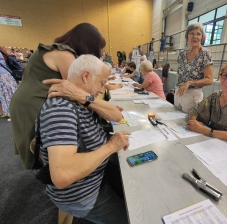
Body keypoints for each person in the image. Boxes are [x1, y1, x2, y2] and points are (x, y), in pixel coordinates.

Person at [38, 55, 130, 223]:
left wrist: (84, 97)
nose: (103, 90)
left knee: (135, 187)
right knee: (136, 217)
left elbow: (116, 116)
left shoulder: (83, 100)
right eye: (101, 83)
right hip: (83, 195)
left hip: (98, 176)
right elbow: (62, 175)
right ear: (86, 76)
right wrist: (111, 146)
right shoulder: (61, 109)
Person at [10, 23, 107, 169]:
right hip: (33, 102)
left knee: (44, 144)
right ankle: (53, 173)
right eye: (97, 48)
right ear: (88, 44)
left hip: (29, 99)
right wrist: (97, 101)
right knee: (41, 145)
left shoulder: (56, 49)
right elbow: (77, 88)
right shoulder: (64, 53)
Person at [187, 61, 227, 148]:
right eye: (224, 75)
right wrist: (193, 123)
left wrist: (202, 129)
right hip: (212, 143)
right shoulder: (215, 96)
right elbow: (195, 110)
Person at [175, 22, 213, 113]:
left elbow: (209, 79)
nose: (195, 37)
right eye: (192, 33)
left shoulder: (205, 53)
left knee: (188, 124)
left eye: (198, 34)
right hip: (178, 93)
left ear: (202, 37)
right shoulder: (182, 53)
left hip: (193, 96)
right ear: (187, 36)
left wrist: (189, 82)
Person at [0, 46, 18, 120]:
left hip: (3, 75)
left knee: (7, 94)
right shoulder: (2, 51)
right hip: (5, 74)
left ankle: (12, 112)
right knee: (4, 94)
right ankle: (6, 111)